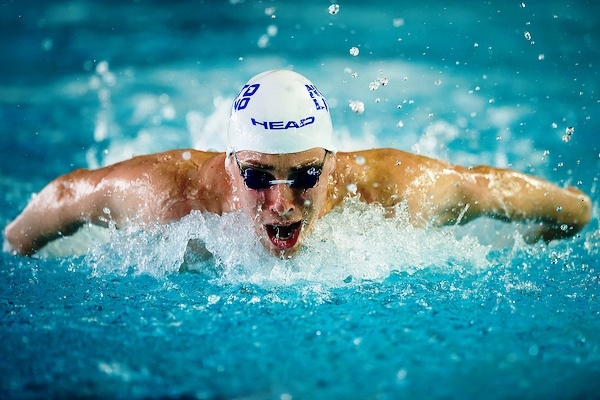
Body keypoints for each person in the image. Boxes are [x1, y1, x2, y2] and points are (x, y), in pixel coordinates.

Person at [4, 69, 593, 258]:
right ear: (231, 166)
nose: (281, 203)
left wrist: (555, 228)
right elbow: (64, 197)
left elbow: (558, 206)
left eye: (306, 174)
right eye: (259, 177)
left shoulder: (393, 190)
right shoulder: (168, 195)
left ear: (332, 164)